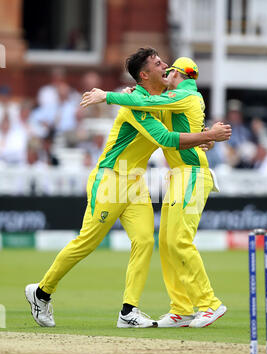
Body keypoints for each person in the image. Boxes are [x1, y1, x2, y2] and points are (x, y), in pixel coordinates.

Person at [26, 48, 231, 329]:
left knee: (146, 241)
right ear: (145, 75)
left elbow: (182, 125)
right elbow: (165, 138)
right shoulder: (135, 101)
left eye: (164, 62)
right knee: (87, 241)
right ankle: (41, 292)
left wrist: (205, 138)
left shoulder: (164, 101)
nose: (165, 65)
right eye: (158, 63)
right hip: (110, 178)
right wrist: (208, 135)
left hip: (136, 182)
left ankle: (128, 311)